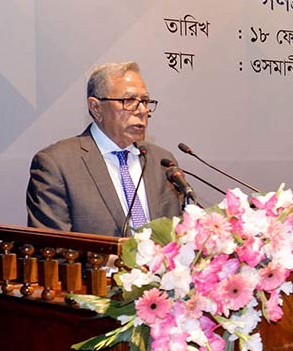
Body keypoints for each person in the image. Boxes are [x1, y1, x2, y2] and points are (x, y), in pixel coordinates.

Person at [27, 62, 182, 236]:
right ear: (96, 108)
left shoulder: (162, 162)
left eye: (145, 101)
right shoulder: (57, 165)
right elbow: (52, 247)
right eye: (129, 101)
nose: (142, 111)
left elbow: (178, 234)